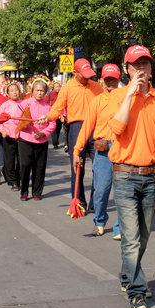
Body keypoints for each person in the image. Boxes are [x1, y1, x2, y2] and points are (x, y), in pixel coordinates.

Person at [104, 45, 155, 308]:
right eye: (136, 65)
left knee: (142, 238)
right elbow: (116, 128)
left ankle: (127, 275)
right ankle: (136, 292)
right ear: (126, 69)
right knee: (131, 238)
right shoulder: (117, 96)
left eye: (145, 64)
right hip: (123, 174)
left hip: (149, 177)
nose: (142, 69)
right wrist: (130, 95)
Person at [38, 58, 103, 211]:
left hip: (96, 128)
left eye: (89, 74)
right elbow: (57, 109)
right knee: (77, 167)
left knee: (99, 167)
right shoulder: (67, 88)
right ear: (75, 73)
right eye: (84, 75)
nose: (87, 77)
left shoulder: (97, 87)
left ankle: (96, 203)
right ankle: (79, 202)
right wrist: (47, 117)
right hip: (76, 127)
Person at [73, 63, 122, 237]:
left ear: (119, 79)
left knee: (122, 193)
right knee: (101, 191)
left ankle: (119, 227)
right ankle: (99, 221)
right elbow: (86, 128)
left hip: (123, 150)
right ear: (102, 80)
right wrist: (77, 150)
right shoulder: (97, 101)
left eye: (113, 79)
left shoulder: (126, 99)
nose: (110, 82)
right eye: (107, 79)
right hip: (102, 152)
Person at [18, 79, 55, 200]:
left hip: (41, 141)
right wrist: (27, 124)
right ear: (32, 91)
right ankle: (24, 190)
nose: (39, 93)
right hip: (26, 139)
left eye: (42, 91)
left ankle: (37, 191)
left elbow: (52, 124)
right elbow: (18, 120)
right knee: (25, 165)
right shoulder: (25, 104)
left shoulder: (48, 107)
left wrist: (43, 133)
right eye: (37, 90)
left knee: (39, 167)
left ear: (45, 92)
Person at [0, 82, 25, 191]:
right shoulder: (5, 105)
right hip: (8, 136)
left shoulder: (24, 104)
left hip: (22, 136)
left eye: (16, 90)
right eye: (12, 90)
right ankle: (13, 181)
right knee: (9, 160)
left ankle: (18, 179)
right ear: (7, 93)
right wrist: (1, 130)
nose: (14, 92)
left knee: (21, 160)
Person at [47, 81, 63, 149]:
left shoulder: (62, 94)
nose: (58, 88)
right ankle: (55, 143)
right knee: (54, 129)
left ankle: (56, 141)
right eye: (56, 87)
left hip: (60, 114)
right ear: (53, 88)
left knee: (58, 128)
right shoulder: (50, 95)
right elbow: (45, 103)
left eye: (59, 86)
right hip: (53, 114)